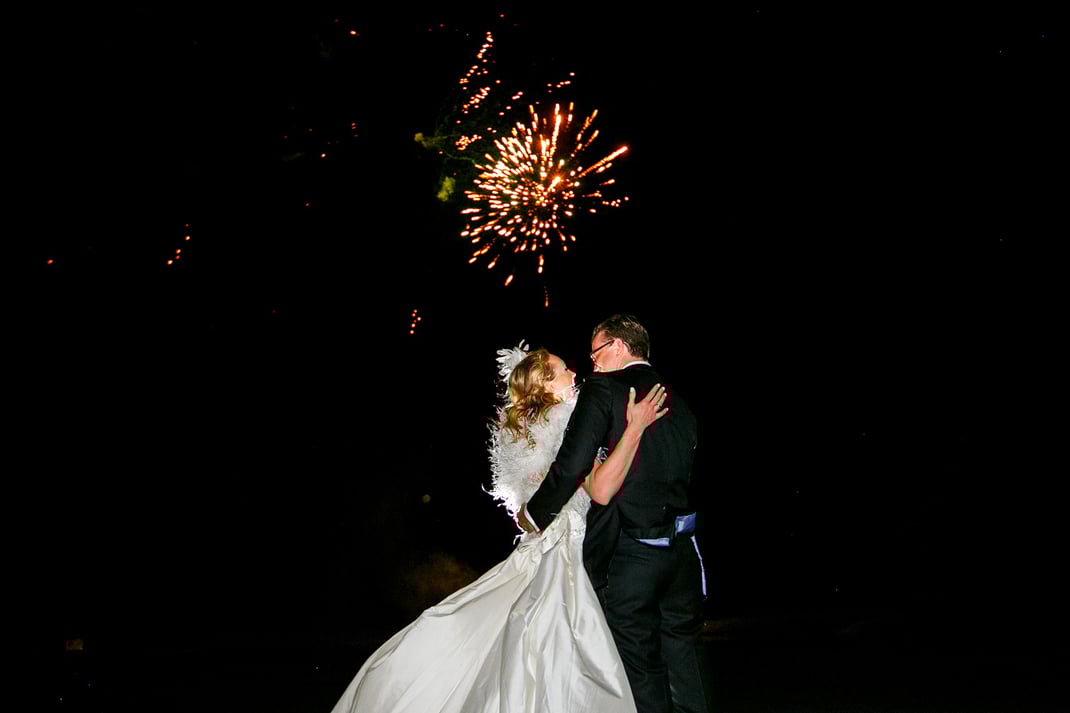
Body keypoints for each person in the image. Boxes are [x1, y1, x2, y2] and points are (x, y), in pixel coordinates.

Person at [327, 342, 667, 713]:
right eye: (563, 369)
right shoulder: (565, 423)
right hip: (565, 547)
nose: (574, 373)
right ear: (544, 385)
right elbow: (595, 485)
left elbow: (527, 498)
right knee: (563, 644)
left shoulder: (523, 429)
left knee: (518, 636)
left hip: (540, 542)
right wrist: (634, 429)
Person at [519, 315, 708, 713]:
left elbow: (572, 466)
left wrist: (535, 516)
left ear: (618, 347)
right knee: (686, 662)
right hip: (683, 555)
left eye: (596, 352)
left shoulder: (603, 389)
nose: (591, 364)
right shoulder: (681, 402)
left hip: (630, 554)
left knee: (641, 669)